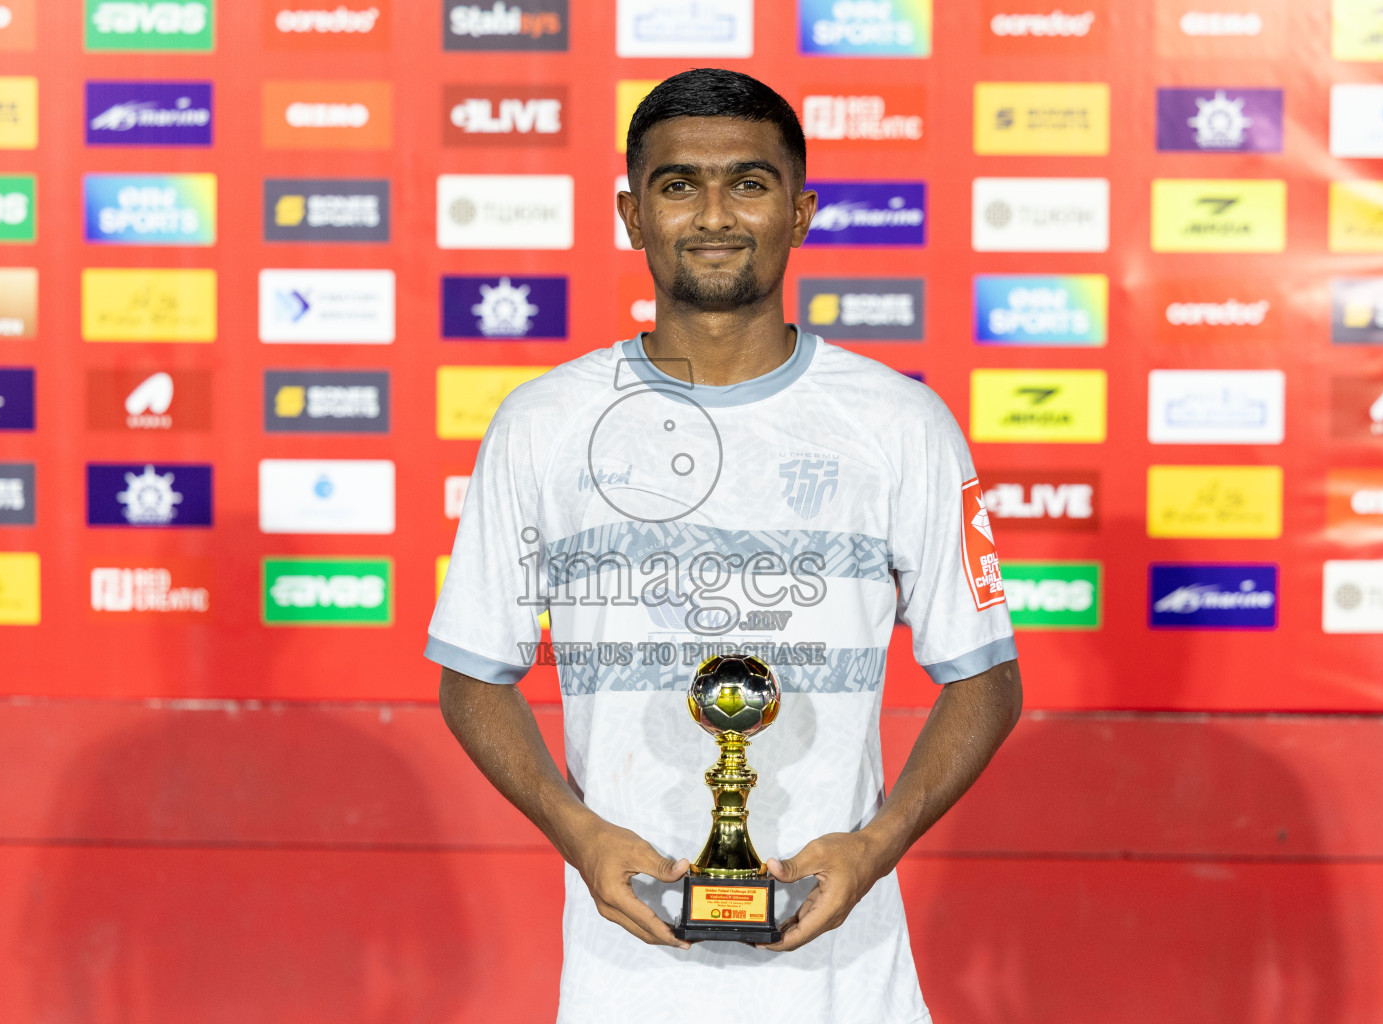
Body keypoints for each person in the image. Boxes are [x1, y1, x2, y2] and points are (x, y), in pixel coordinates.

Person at [427, 68, 1023, 1024]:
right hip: (626, 982)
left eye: (748, 182)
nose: (713, 214)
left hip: (845, 983)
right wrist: (579, 833)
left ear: (801, 211)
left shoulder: (900, 423)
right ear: (631, 214)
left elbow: (986, 679)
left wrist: (874, 847)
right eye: (677, 185)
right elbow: (472, 676)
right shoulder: (542, 424)